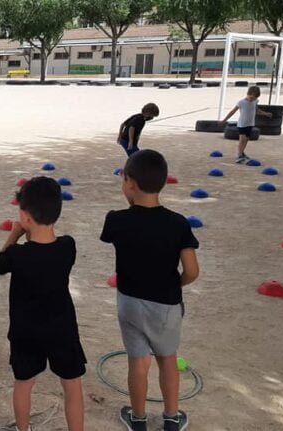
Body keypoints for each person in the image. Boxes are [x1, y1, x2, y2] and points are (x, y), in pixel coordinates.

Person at [100, 150, 200, 431]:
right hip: (166, 305)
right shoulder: (179, 223)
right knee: (167, 360)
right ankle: (171, 417)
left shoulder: (115, 220)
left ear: (129, 181)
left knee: (138, 362)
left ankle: (138, 418)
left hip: (129, 303)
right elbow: (192, 271)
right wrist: (175, 285)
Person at [0, 177, 86, 431]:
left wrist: (15, 233)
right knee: (72, 385)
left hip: (26, 332)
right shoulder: (68, 247)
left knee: (24, 384)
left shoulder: (17, 255)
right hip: (62, 330)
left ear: (25, 215)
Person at [219, 86, 273, 163]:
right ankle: (239, 155)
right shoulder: (241, 102)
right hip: (242, 124)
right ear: (248, 94)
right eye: (251, 97)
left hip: (250, 124)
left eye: (254, 98)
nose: (252, 100)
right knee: (242, 139)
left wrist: (265, 114)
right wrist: (224, 120)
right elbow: (232, 111)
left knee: (246, 140)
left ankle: (242, 152)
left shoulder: (255, 101)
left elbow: (256, 110)